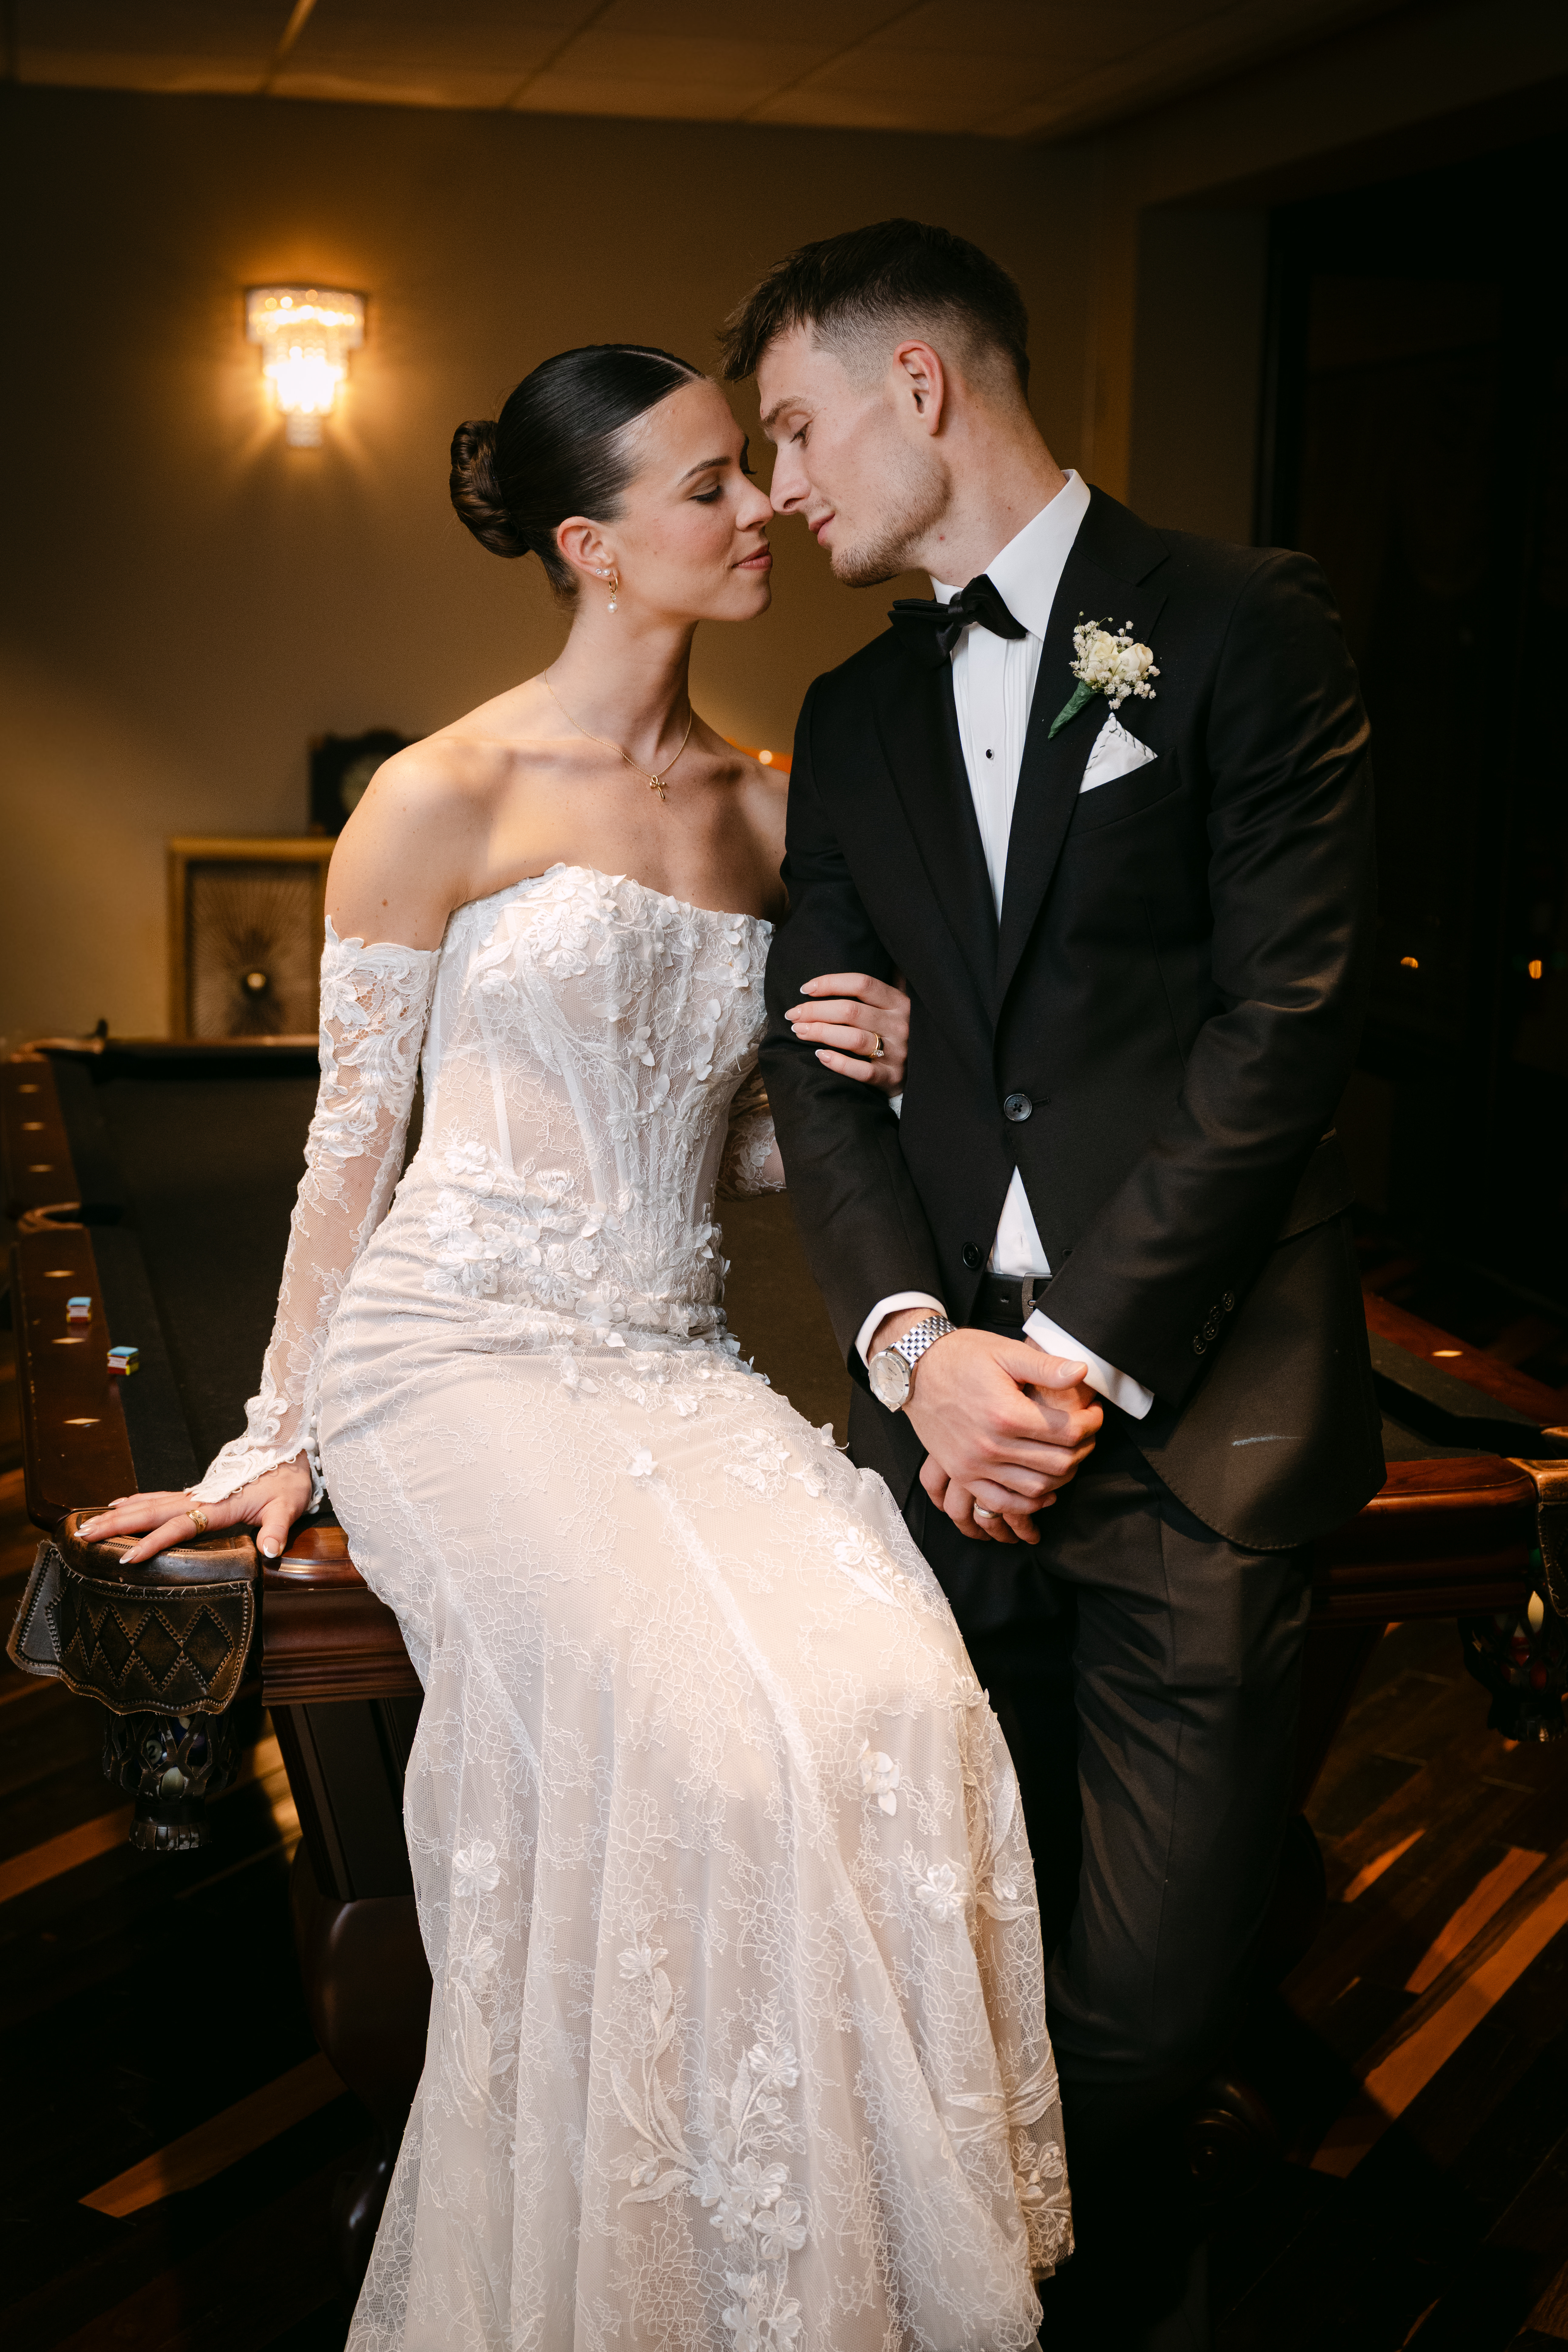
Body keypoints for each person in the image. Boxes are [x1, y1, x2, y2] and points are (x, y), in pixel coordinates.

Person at [80, 343, 1071, 2350]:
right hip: (450, 1351)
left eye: (756, 472)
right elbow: (349, 1152)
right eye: (712, 485)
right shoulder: (435, 796)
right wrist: (283, 1429)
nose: (762, 509)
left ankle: (794, 2278)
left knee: (892, 1704)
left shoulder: (784, 814)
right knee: (697, 1740)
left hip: (671, 1355)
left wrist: (863, 1066)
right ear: (592, 546)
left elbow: (757, 1154)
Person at [726, 220, 1382, 2349]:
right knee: (942, 1974)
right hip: (935, 1461)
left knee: (1135, 2017)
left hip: (1188, 1439)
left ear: (921, 384)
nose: (787, 487)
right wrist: (917, 1354)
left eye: (798, 428)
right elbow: (824, 1071)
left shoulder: (1237, 628)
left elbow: (1278, 1026)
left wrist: (1067, 1363)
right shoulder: (850, 711)